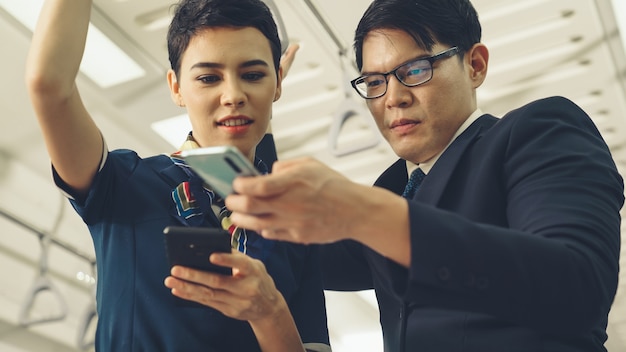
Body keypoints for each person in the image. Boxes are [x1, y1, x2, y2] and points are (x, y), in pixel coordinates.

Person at [218, 0, 625, 351]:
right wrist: (258, 108)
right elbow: (294, 255)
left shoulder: (538, 131)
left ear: (475, 64)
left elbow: (576, 286)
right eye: (375, 82)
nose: (393, 97)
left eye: (414, 70)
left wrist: (367, 213)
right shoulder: (395, 187)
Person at [25, 0, 330, 351]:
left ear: (277, 83)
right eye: (208, 78)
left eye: (253, 75)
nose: (233, 95)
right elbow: (50, 86)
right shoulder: (124, 186)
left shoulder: (294, 227)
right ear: (176, 88)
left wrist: (270, 312)